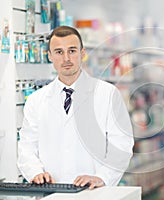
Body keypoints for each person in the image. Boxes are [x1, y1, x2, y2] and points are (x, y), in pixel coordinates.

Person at [17, 26, 134, 189]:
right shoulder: (36, 100)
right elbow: (27, 146)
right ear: (49, 56)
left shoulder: (107, 94)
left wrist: (102, 177)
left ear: (82, 53)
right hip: (51, 191)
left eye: (72, 51)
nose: (66, 58)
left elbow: (121, 145)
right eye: (59, 52)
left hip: (95, 192)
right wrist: (35, 172)